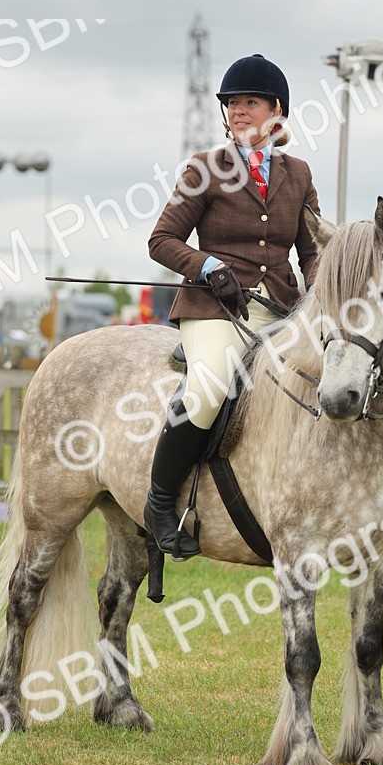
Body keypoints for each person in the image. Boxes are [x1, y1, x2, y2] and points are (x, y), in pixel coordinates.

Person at [144, 53, 321, 559]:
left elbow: (313, 252)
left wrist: (321, 300)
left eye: (249, 102)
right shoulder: (205, 168)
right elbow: (162, 239)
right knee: (210, 386)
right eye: (231, 103)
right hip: (215, 308)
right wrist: (207, 268)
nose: (238, 111)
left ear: (275, 111)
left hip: (280, 309)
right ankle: (159, 506)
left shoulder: (299, 172)